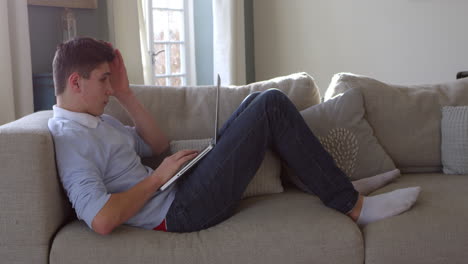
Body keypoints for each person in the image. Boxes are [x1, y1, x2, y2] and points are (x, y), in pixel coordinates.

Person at [48, 37, 421, 235]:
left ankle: (339, 185)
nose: (109, 90)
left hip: (178, 189)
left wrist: (128, 94)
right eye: (104, 81)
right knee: (271, 104)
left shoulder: (97, 122)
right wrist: (159, 178)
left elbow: (157, 145)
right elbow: (100, 220)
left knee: (259, 101)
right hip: (178, 212)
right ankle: (354, 207)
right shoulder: (70, 138)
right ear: (75, 82)